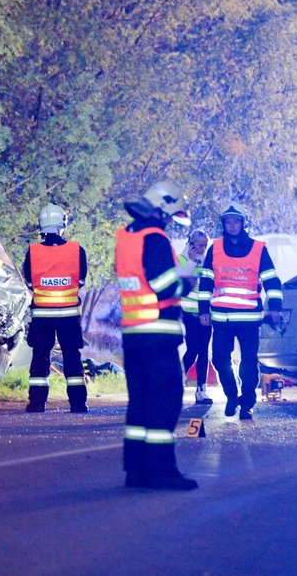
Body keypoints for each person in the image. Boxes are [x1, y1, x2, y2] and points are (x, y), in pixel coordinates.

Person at [116, 181, 198, 490]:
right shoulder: (156, 239)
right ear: (162, 210)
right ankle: (162, 472)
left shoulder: (128, 237)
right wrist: (187, 285)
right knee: (164, 404)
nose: (169, 223)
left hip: (134, 333)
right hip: (158, 334)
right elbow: (166, 287)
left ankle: (136, 471)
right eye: (169, 216)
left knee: (139, 404)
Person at [198, 204, 282, 420]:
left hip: (249, 319)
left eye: (236, 221)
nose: (232, 225)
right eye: (228, 222)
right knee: (219, 359)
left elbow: (272, 280)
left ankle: (247, 404)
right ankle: (231, 395)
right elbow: (206, 280)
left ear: (243, 224)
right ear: (224, 225)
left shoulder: (258, 248)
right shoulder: (214, 248)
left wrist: (274, 308)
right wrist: (202, 311)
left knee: (248, 363)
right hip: (221, 318)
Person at [23, 204, 88, 413]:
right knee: (72, 357)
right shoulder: (77, 250)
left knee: (40, 357)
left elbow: (30, 283)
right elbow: (80, 281)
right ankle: (78, 404)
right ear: (63, 225)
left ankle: (37, 403)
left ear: (41, 225)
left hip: (41, 316)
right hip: (69, 316)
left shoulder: (32, 252)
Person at [179, 229, 213, 404]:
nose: (203, 249)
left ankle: (202, 390)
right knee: (193, 349)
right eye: (200, 245)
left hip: (206, 313)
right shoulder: (181, 259)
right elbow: (181, 283)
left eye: (205, 246)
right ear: (191, 244)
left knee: (204, 351)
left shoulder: (208, 261)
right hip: (188, 314)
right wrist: (192, 261)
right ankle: (176, 383)